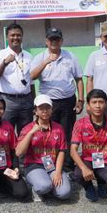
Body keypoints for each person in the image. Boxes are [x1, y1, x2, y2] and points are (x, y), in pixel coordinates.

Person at [31, 27, 84, 170]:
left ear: (61, 41)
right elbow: (32, 77)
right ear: (46, 41)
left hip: (67, 101)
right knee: (47, 132)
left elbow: (79, 79)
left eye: (57, 39)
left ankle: (67, 164)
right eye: (51, 39)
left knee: (66, 133)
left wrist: (81, 100)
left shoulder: (70, 57)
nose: (54, 41)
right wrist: (46, 62)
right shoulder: (40, 57)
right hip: (48, 104)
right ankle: (49, 163)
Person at [70, 89, 107, 202]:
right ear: (88, 106)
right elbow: (73, 150)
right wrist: (84, 168)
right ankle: (88, 186)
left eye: (101, 102)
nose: (98, 106)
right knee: (79, 173)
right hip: (87, 160)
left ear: (106, 104)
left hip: (106, 161)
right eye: (94, 102)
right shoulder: (80, 123)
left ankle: (101, 183)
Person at [16, 94, 72, 202]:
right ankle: (37, 187)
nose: (45, 111)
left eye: (47, 108)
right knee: (43, 186)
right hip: (34, 165)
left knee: (65, 193)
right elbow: (19, 152)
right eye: (41, 108)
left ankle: (48, 186)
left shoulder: (58, 128)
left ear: (52, 110)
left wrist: (58, 172)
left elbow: (61, 151)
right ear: (35, 111)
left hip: (53, 165)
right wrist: (31, 132)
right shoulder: (27, 128)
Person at [0, 23, 34, 137]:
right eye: (12, 35)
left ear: (22, 36)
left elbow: (31, 82)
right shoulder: (0, 55)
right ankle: (8, 155)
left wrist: (33, 101)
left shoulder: (29, 56)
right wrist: (4, 63)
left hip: (26, 101)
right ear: (7, 37)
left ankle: (22, 155)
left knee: (25, 134)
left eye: (18, 35)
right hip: (7, 101)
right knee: (5, 133)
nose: (16, 38)